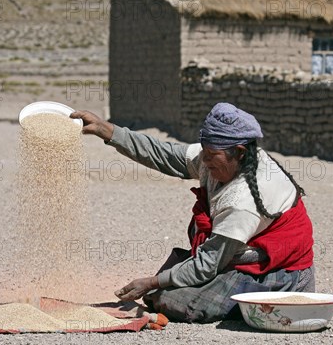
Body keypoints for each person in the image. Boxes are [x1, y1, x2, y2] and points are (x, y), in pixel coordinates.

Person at [70, 103, 314, 323]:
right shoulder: (221, 158)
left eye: (211, 155)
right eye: (204, 152)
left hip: (274, 271)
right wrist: (107, 130)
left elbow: (208, 264)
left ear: (239, 152)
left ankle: (276, 297)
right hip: (228, 256)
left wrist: (152, 282)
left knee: (171, 301)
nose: (204, 161)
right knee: (162, 291)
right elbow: (163, 154)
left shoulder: (243, 201)